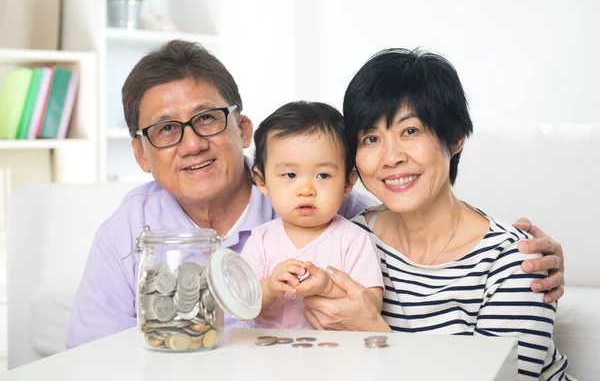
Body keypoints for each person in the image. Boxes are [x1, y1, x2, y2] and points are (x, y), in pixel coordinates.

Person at [66, 40, 565, 348]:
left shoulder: (338, 216)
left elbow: (419, 218)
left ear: (242, 127)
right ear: (139, 154)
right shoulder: (128, 236)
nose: (192, 143)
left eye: (206, 119)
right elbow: (90, 359)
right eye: (166, 130)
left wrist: (522, 256)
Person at [303, 48, 573, 380]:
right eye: (371, 138)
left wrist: (374, 332)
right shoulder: (348, 239)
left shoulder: (515, 261)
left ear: (455, 136)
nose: (390, 158)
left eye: (410, 131)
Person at [240, 101, 384, 329]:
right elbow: (242, 305)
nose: (306, 190)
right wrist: (269, 287)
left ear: (348, 182)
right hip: (266, 356)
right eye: (290, 174)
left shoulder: (354, 240)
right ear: (261, 181)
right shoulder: (260, 240)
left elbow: (372, 307)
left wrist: (327, 288)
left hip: (333, 357)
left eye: (323, 175)